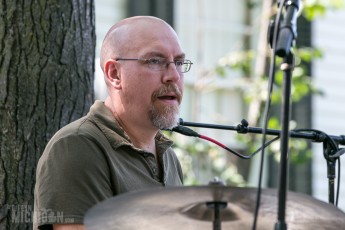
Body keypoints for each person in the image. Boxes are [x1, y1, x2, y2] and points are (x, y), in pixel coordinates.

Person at [34, 16, 193, 230]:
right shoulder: (78, 146)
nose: (173, 75)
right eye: (155, 61)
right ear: (114, 73)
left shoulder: (168, 157)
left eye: (179, 63)